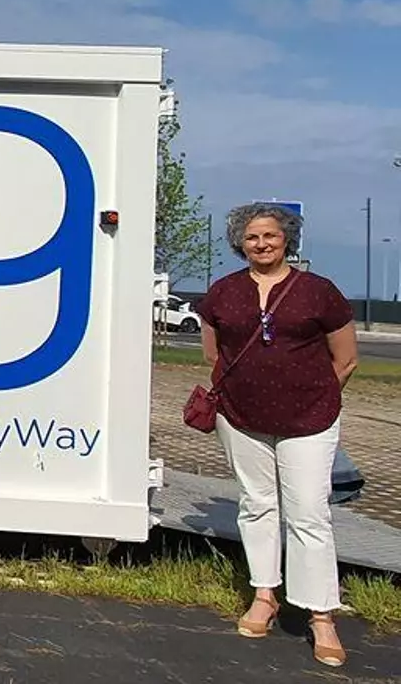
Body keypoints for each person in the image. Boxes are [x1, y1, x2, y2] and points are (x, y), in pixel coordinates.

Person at [197, 202, 358, 668]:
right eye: (252, 237)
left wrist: (310, 394)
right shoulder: (224, 292)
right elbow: (213, 354)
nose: (261, 244)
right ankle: (264, 595)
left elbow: (346, 359)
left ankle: (320, 614)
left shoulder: (318, 292)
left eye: (270, 235)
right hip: (241, 418)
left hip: (309, 420)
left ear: (287, 238)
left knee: (308, 513)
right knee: (257, 505)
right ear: (240, 244)